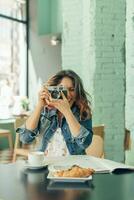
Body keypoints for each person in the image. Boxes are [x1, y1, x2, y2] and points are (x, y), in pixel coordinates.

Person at [17, 70, 93, 155]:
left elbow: (85, 143)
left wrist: (67, 112)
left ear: (77, 93)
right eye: (62, 89)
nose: (67, 94)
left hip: (74, 166)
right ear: (54, 90)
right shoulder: (45, 111)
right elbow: (25, 138)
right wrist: (39, 106)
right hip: (45, 164)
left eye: (72, 90)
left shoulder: (83, 112)